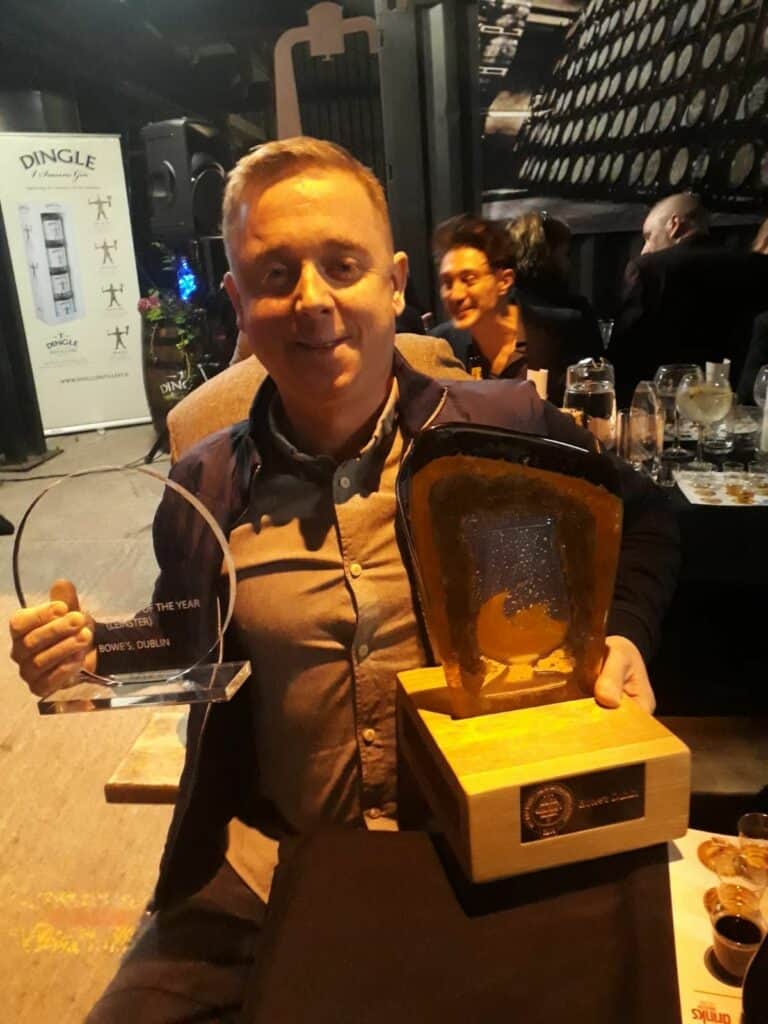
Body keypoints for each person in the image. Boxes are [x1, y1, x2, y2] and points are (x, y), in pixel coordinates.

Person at [9, 137, 679, 1022]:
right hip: (267, 866)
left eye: (342, 265)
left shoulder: (505, 430)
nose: (313, 299)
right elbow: (188, 642)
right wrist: (87, 655)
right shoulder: (206, 484)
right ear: (238, 303)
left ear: (395, 285)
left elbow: (648, 517)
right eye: (275, 273)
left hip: (474, 848)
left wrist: (624, 632)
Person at [609, 193, 768, 405]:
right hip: (740, 407)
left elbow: (625, 354)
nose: (644, 249)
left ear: (675, 225)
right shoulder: (758, 266)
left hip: (665, 407)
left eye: (649, 236)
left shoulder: (649, 269)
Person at [506, 211, 603, 405]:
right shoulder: (574, 314)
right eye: (565, 254)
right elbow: (596, 381)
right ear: (547, 255)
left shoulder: (497, 307)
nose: (569, 264)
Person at [429, 214, 527, 380]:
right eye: (447, 283)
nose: (456, 295)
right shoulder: (439, 347)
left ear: (504, 281)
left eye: (468, 280)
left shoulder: (550, 338)